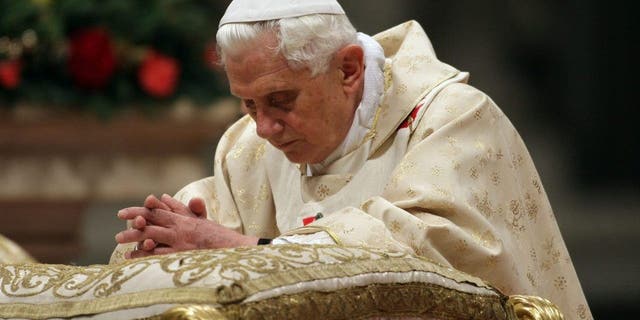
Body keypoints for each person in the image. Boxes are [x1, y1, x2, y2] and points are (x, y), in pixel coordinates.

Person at [112, 0, 592, 318]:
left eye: (281, 100)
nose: (263, 127)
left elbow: (423, 255)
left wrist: (244, 248)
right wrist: (161, 237)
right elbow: (208, 228)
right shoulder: (247, 147)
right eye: (248, 103)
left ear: (348, 69)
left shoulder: (452, 120)